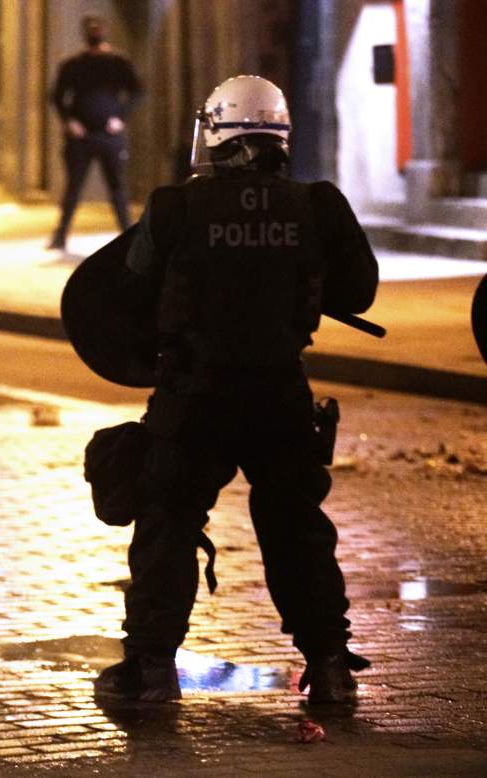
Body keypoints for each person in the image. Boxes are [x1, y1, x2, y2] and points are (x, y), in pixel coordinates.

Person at [93, 75, 378, 704]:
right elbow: (359, 291)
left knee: (166, 522)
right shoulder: (317, 205)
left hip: (195, 397)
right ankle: (329, 666)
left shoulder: (177, 207)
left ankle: (148, 668)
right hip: (279, 394)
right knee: (296, 526)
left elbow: (130, 286)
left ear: (217, 135)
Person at [48, 15, 143, 248]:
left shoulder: (118, 62)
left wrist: (120, 118)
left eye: (99, 28)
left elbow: (137, 91)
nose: (95, 32)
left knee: (117, 188)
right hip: (80, 137)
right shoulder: (73, 64)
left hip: (109, 136)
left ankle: (128, 236)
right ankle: (60, 236)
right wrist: (68, 121)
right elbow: (57, 96)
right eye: (91, 29)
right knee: (73, 188)